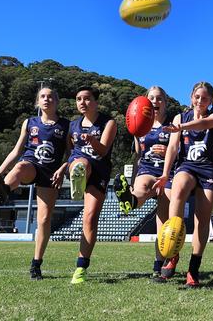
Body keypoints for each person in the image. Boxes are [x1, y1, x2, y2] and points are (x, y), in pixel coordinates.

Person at [0, 87, 69, 280]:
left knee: (44, 220)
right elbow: (16, 151)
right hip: (31, 165)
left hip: (51, 174)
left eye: (50, 97)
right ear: (37, 102)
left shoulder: (66, 125)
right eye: (42, 97)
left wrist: (63, 167)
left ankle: (36, 263)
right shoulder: (29, 122)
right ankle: (3, 190)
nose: (46, 99)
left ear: (56, 101)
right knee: (21, 166)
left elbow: (72, 154)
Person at [154, 82, 213, 288]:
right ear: (191, 97)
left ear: (211, 101)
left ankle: (193, 268)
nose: (200, 101)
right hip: (187, 166)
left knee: (202, 218)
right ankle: (173, 254)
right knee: (179, 187)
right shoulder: (179, 117)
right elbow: (173, 147)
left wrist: (182, 128)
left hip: (208, 169)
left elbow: (203, 125)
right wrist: (166, 173)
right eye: (197, 97)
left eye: (204, 98)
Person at [114, 86, 174, 282]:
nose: (155, 102)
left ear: (166, 102)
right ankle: (130, 198)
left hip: (168, 173)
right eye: (151, 99)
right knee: (142, 187)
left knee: (163, 224)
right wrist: (132, 179)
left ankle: (159, 265)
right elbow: (139, 156)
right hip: (147, 168)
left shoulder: (173, 124)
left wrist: (167, 153)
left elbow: (180, 152)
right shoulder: (139, 126)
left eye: (159, 99)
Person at [67, 86, 117, 284]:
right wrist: (66, 166)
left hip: (100, 171)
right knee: (81, 162)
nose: (82, 102)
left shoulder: (108, 122)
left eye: (87, 99)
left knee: (90, 218)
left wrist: (92, 140)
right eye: (78, 99)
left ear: (96, 102)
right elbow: (70, 151)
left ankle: (81, 266)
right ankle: (78, 179)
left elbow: (104, 150)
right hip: (80, 162)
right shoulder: (72, 126)